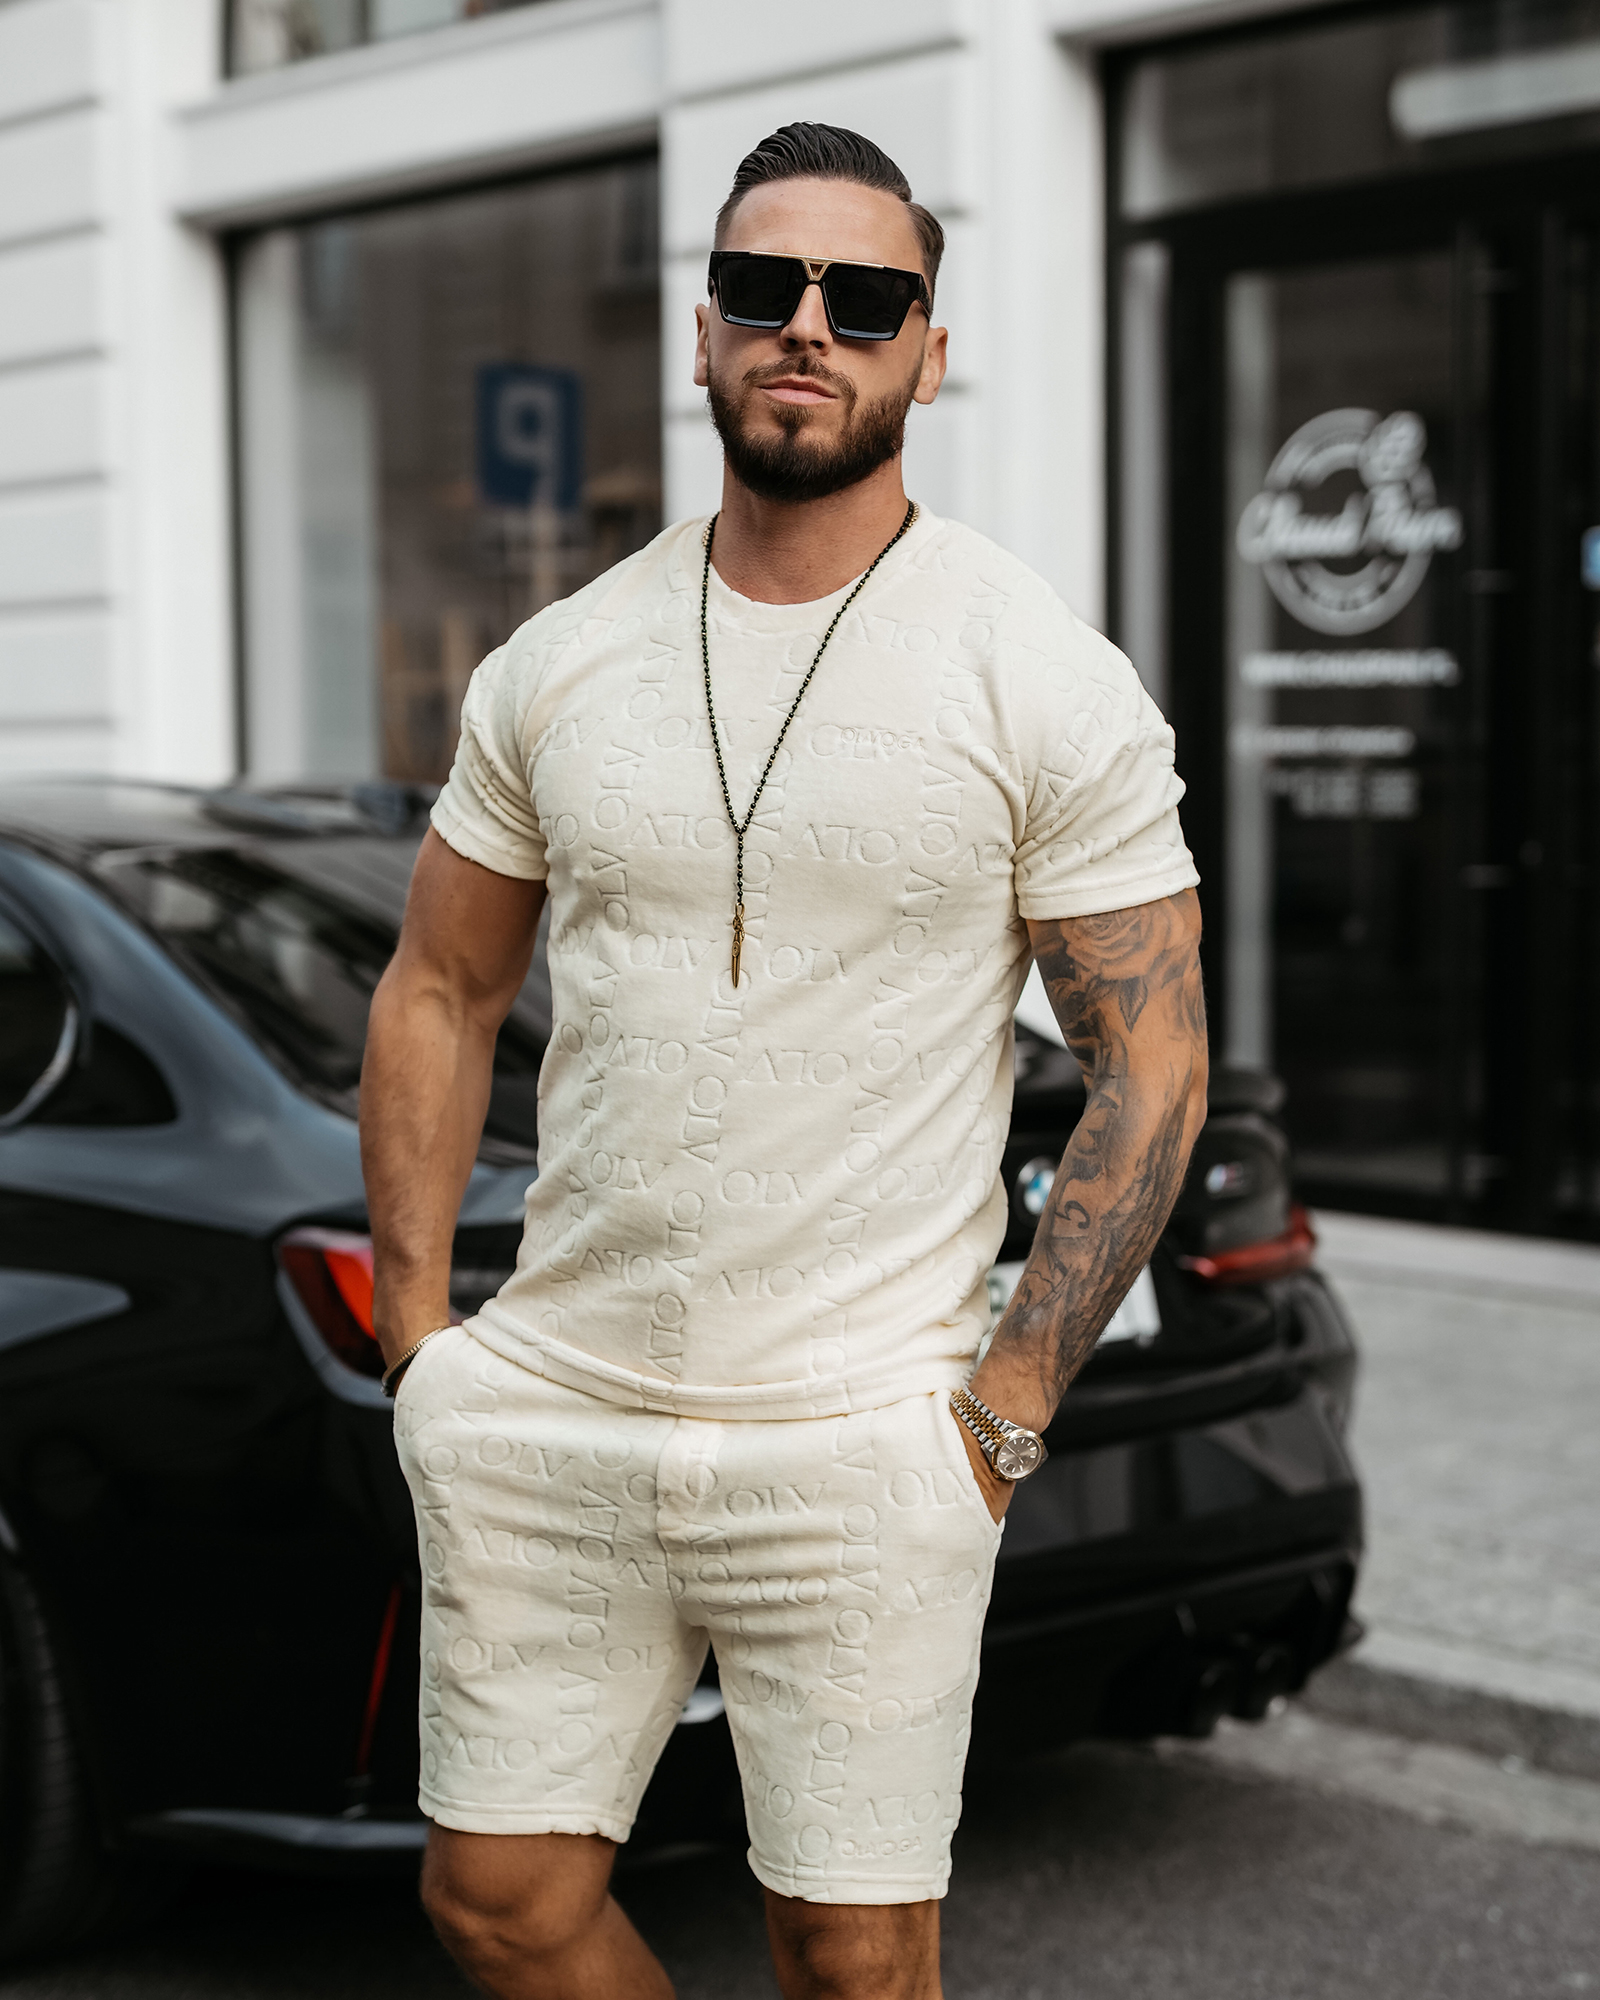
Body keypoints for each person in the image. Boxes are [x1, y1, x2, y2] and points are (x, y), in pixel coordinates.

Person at [360, 120, 1208, 2000]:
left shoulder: (1038, 675)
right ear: (703, 332)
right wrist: (424, 1347)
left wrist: (997, 1419)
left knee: (853, 1960)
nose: (806, 325)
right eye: (763, 286)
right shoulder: (559, 662)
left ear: (925, 349)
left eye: (863, 297)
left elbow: (1153, 1070)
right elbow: (436, 985)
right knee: (495, 1904)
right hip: (555, 1411)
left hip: (863, 1432)